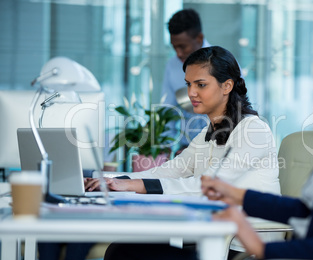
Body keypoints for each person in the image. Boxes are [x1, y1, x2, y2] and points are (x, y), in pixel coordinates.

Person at [104, 3, 313, 260]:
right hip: (271, 248)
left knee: (125, 255)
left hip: (277, 256)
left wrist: (261, 247)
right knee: (124, 252)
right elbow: (306, 209)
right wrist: (238, 196)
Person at [85, 46, 280, 197]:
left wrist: (133, 185)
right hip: (212, 232)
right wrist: (111, 180)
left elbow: (210, 185)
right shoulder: (208, 133)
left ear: (227, 85)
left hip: (245, 241)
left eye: (201, 85)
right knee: (123, 249)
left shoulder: (253, 130)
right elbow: (172, 170)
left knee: (128, 250)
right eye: (188, 84)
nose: (190, 93)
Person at [162, 8, 210, 149]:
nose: (178, 53)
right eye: (174, 47)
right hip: (186, 148)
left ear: (199, 38)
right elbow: (168, 112)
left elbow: (239, 109)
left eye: (182, 47)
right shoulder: (172, 65)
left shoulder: (223, 62)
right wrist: (165, 147)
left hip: (218, 149)